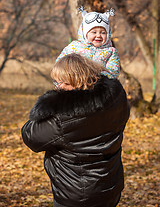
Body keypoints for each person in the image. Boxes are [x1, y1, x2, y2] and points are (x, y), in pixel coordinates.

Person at [21, 53, 130, 207]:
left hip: (77, 196)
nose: (58, 88)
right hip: (111, 187)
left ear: (78, 80)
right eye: (56, 82)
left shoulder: (62, 119)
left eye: (62, 82)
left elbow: (29, 136)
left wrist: (48, 105)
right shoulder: (116, 99)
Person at [56, 7, 120, 79]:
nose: (98, 35)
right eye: (94, 32)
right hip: (75, 81)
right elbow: (60, 64)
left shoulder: (110, 51)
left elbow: (113, 72)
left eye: (103, 32)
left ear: (108, 34)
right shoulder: (75, 46)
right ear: (85, 33)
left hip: (98, 84)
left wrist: (98, 75)